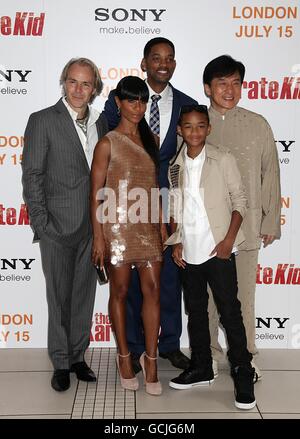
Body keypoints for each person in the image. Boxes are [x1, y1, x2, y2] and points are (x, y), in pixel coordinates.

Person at [103, 37, 197, 372]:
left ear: (174, 63)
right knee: (127, 281)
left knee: (167, 277)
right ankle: (137, 346)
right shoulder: (123, 100)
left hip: (167, 202)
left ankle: (168, 343)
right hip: (127, 203)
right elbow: (108, 145)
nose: (163, 63)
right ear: (144, 63)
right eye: (155, 57)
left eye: (170, 57)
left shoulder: (188, 104)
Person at [22, 58, 108, 392]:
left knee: (84, 295)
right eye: (73, 81)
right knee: (58, 296)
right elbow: (33, 176)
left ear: (94, 88)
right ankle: (59, 361)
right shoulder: (42, 120)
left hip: (93, 228)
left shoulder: (101, 123)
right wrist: (42, 224)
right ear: (63, 82)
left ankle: (76, 356)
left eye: (86, 84)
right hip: (56, 227)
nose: (78, 89)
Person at [166, 104, 256, 410]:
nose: (194, 132)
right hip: (189, 252)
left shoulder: (223, 159)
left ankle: (243, 371)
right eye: (188, 127)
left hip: (218, 249)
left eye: (200, 126)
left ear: (208, 128)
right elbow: (177, 208)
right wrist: (176, 241)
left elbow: (240, 201)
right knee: (196, 311)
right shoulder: (175, 165)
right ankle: (202, 366)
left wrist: (228, 240)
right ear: (180, 130)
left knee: (230, 312)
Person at [203, 55, 281, 380]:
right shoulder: (194, 123)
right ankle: (207, 354)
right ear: (208, 88)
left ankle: (245, 356)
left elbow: (270, 173)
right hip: (205, 232)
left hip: (246, 229)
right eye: (222, 83)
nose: (229, 89)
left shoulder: (258, 124)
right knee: (207, 299)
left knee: (243, 296)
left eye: (236, 82)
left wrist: (271, 220)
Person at [91, 76, 166, 395]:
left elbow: (153, 186)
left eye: (142, 101)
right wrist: (99, 237)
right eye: (131, 100)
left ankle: (151, 361)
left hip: (148, 225)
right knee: (119, 293)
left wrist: (162, 223)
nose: (138, 107)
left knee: (153, 291)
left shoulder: (152, 137)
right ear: (118, 103)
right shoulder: (107, 142)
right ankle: (124, 358)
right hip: (116, 227)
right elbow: (96, 193)